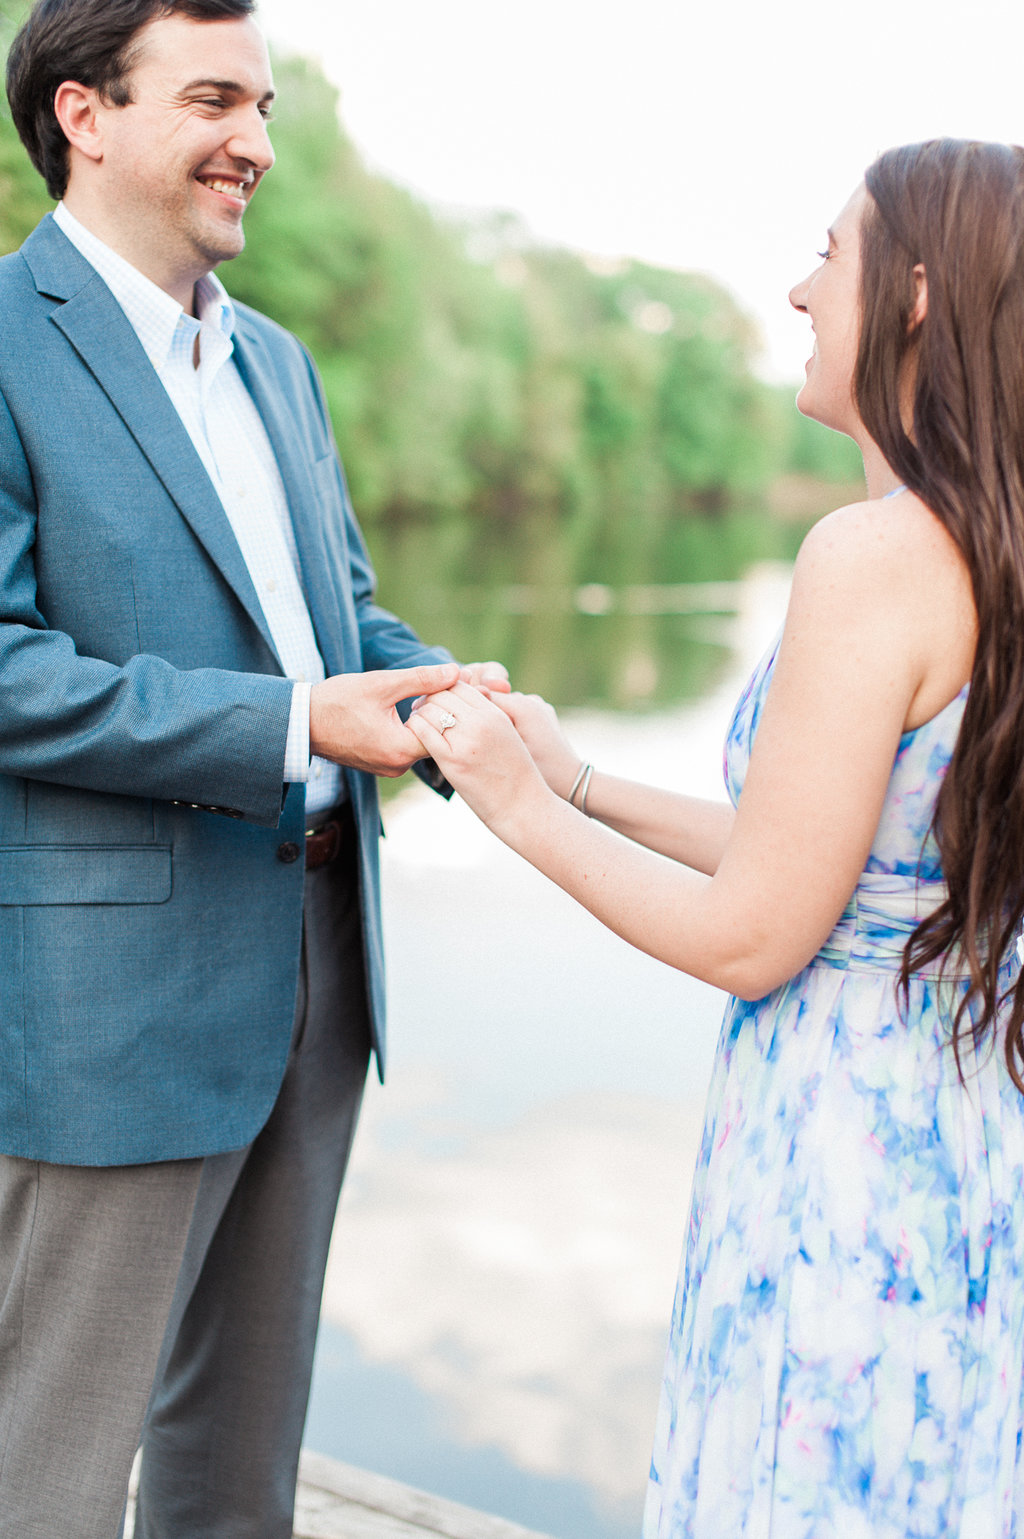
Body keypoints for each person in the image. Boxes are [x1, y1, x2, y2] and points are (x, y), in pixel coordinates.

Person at [408, 139, 1024, 1535]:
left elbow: (759, 933)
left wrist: (506, 808)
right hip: (974, 1127)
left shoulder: (870, 561)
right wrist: (582, 786)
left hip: (848, 1153)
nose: (802, 293)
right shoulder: (994, 547)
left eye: (831, 253)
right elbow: (852, 862)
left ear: (916, 297)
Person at [0, 2, 507, 1536]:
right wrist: (293, 730)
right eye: (216, 99)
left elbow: (341, 618)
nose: (260, 145)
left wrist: (455, 701)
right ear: (85, 114)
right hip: (110, 1002)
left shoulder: (278, 365)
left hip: (321, 966)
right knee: (51, 1468)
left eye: (266, 104)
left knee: (241, 1468)